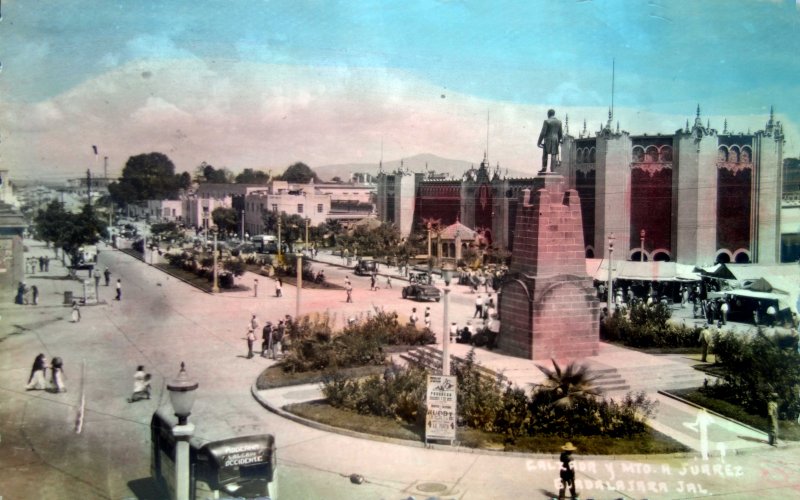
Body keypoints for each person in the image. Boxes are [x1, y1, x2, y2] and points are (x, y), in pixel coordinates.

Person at [537, 109, 563, 174]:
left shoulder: (546, 121)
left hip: (547, 140)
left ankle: (544, 168)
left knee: (545, 154)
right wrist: (559, 140)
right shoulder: (559, 122)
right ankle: (553, 169)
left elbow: (543, 133)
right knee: (553, 154)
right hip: (555, 140)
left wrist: (539, 142)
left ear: (548, 114)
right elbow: (560, 133)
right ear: (554, 114)